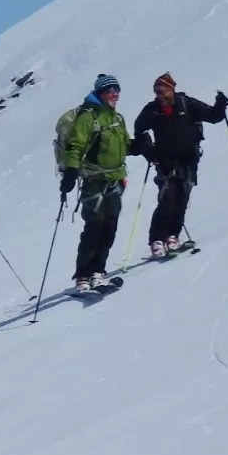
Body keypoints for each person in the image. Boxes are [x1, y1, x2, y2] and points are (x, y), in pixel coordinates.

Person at [133, 72, 228, 257]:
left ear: (171, 89)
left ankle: (172, 236)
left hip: (188, 159)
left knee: (182, 199)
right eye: (156, 92)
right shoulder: (152, 110)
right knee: (167, 200)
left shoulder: (187, 104)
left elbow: (213, 116)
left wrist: (220, 105)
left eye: (162, 91)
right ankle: (157, 240)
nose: (159, 96)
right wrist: (150, 151)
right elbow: (139, 130)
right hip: (165, 161)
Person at [59, 74, 138, 292]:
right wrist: (71, 172)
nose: (115, 94)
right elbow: (75, 146)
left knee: (109, 228)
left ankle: (98, 272)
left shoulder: (117, 118)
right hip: (95, 181)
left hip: (115, 180)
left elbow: (124, 145)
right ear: (100, 93)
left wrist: (140, 146)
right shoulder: (88, 117)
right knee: (94, 228)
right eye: (110, 90)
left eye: (117, 89)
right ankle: (83, 277)